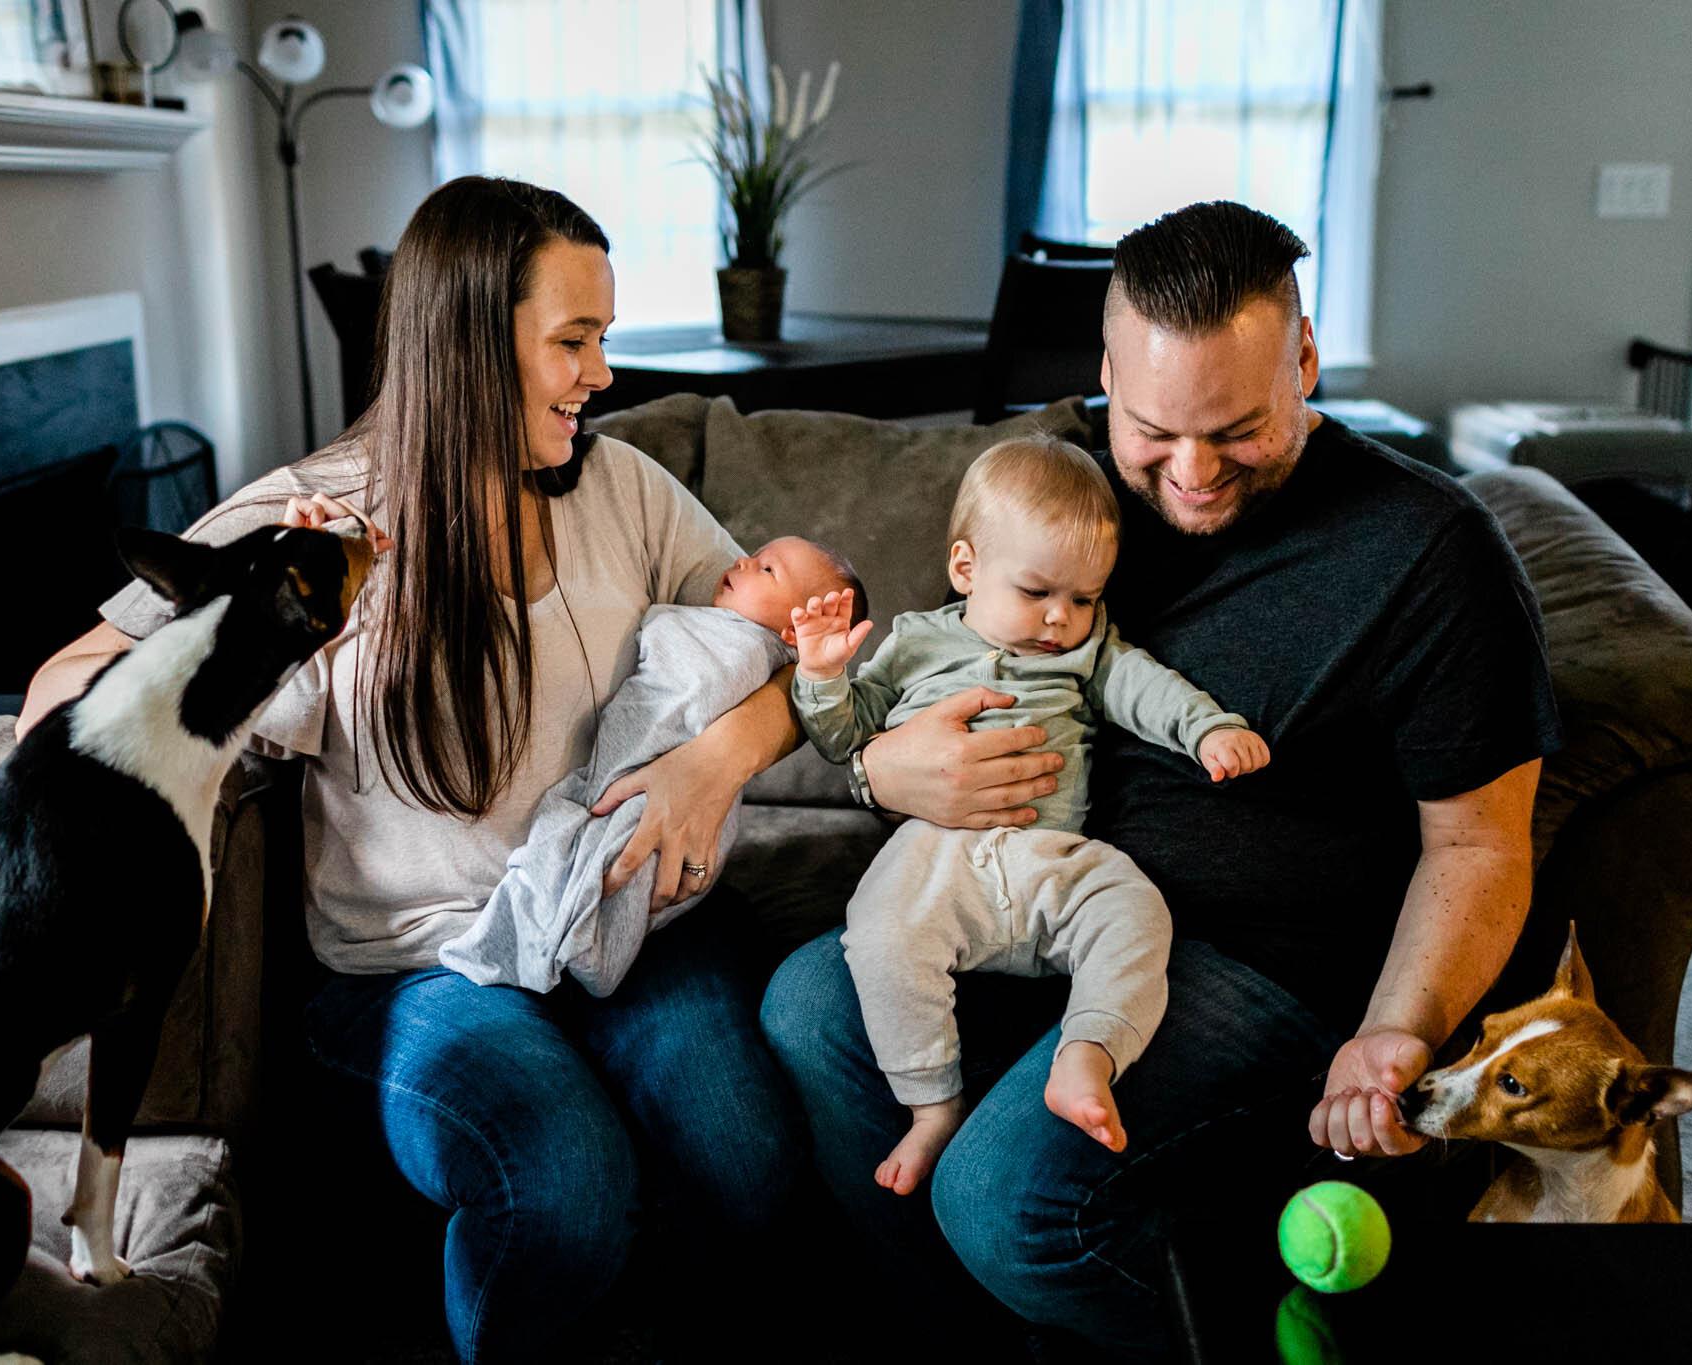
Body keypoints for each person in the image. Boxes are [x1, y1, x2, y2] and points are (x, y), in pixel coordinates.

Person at [19, 176, 809, 1362]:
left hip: (628, 925)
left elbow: (801, 656)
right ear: (468, 342)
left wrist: (719, 755)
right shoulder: (319, 521)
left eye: (605, 338)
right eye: (573, 341)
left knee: (746, 1161)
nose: (602, 374)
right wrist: (249, 623)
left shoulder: (623, 487)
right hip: (418, 968)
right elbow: (56, 692)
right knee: (561, 1186)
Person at [760, 201, 1559, 1358]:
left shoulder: (1427, 552)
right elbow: (913, 666)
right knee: (809, 1004)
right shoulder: (1062, 493)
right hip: (1038, 903)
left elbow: (1479, 845)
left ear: (1305, 362)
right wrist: (883, 770)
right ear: (1103, 377)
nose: (1188, 473)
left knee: (1006, 1203)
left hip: (1261, 966)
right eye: (1151, 430)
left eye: (1234, 429)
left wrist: (1395, 1030)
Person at [788, 436, 1269, 1196]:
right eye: (1038, 591)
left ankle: (1089, 1052)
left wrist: (1208, 728)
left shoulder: (1087, 652)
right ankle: (932, 1103)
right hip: (938, 852)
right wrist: (820, 675)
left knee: (1136, 907)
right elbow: (848, 733)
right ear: (965, 568)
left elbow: (1147, 688)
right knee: (878, 933)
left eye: (1083, 599)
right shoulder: (915, 643)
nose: (1059, 618)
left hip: (1052, 857)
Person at [439, 535, 864, 997]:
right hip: (616, 790)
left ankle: (570, 940)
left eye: (766, 570)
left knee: (613, 854)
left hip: (656, 793)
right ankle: (564, 937)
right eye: (755, 556)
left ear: (790, 634)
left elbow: (706, 692)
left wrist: (810, 672)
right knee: (578, 848)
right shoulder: (712, 627)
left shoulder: (736, 645)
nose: (742, 560)